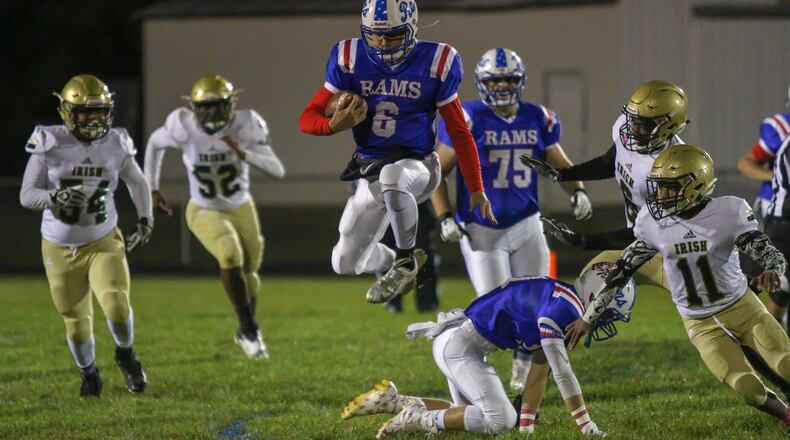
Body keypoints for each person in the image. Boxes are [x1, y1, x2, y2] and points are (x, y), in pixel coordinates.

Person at [566, 144, 790, 435]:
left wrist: (773, 268)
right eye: (660, 188)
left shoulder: (728, 211)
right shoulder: (653, 222)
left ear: (696, 185)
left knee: (785, 363)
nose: (662, 195)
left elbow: (765, 250)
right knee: (746, 387)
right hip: (700, 322)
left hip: (743, 307)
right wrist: (589, 316)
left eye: (670, 188)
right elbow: (624, 268)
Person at [299, 0, 494, 304]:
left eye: (391, 35)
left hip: (419, 166)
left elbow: (458, 130)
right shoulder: (349, 57)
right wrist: (333, 124)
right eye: (374, 35)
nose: (381, 43)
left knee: (393, 175)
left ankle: (405, 260)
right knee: (344, 263)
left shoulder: (436, 60)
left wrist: (476, 188)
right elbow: (307, 118)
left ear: (411, 29)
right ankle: (393, 261)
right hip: (369, 170)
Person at [432, 47, 591, 390]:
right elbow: (436, 173)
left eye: (509, 78)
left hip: (525, 223)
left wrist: (577, 190)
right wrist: (443, 215)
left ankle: (523, 365)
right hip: (481, 228)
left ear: (520, 81)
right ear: (481, 83)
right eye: (495, 79)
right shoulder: (468, 117)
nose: (502, 85)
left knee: (539, 303)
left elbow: (558, 162)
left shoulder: (539, 118)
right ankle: (466, 365)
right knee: (495, 309)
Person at [341, 267, 634, 437]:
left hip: (458, 342)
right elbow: (563, 373)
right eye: (607, 314)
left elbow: (538, 376)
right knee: (498, 419)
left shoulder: (563, 298)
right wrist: (588, 427)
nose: (605, 322)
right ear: (596, 298)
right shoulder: (563, 309)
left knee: (467, 415)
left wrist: (526, 429)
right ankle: (413, 419)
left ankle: (396, 401)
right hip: (460, 346)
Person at [19, 74, 152, 396]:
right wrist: (54, 198)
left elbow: (137, 181)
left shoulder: (116, 142)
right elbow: (26, 195)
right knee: (76, 325)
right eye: (85, 113)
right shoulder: (49, 141)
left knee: (117, 306)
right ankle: (89, 373)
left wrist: (145, 219)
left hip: (102, 239)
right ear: (67, 112)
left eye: (99, 111)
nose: (94, 119)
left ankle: (126, 354)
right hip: (58, 245)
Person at [144, 75, 285, 359]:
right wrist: (152, 188)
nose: (209, 112)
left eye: (215, 105)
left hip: (241, 206)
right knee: (229, 254)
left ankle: (246, 331)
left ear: (229, 105)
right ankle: (248, 327)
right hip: (203, 208)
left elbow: (276, 170)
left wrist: (242, 152)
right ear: (194, 107)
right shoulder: (181, 126)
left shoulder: (246, 124)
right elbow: (154, 144)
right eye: (203, 107)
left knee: (250, 273)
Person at [737, 86, 790, 326]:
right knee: (777, 276)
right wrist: (777, 178)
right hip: (776, 209)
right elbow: (746, 163)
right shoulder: (780, 129)